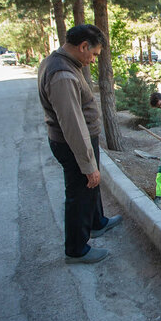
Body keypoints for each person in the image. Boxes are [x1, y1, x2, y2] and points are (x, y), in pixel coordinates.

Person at [38, 24, 122, 264]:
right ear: (83, 46)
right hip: (72, 143)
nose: (94, 60)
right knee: (80, 192)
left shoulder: (62, 63)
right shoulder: (62, 74)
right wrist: (87, 164)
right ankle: (76, 249)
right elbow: (73, 125)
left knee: (90, 188)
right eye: (94, 54)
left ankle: (97, 222)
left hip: (78, 140)